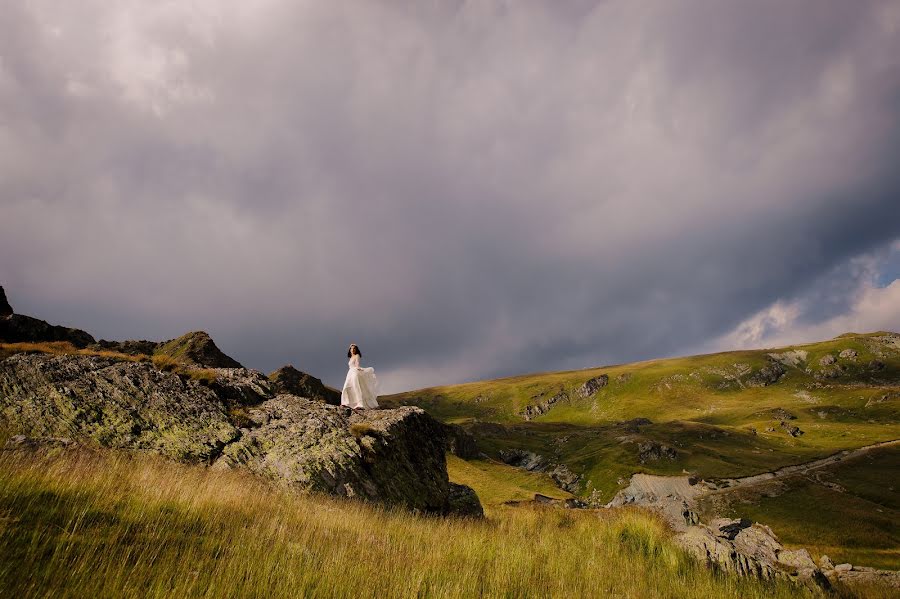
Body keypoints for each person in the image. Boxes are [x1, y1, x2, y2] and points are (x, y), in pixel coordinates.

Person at [341, 344, 379, 410]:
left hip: (355, 372)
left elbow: (357, 364)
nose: (352, 350)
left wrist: (359, 369)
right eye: (351, 348)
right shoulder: (350, 358)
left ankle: (360, 404)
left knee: (356, 387)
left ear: (356, 350)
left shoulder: (357, 356)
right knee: (346, 387)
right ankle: (346, 403)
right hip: (350, 373)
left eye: (354, 349)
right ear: (350, 350)